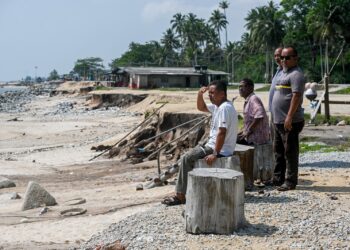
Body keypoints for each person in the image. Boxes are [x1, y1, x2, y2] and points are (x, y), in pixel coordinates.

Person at [162, 80, 238, 206]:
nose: (210, 95)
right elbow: (201, 107)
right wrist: (199, 95)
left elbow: (222, 132)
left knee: (186, 158)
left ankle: (180, 195)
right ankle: (187, 191)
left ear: (222, 94)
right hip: (213, 145)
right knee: (191, 154)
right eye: (210, 93)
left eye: (213, 93)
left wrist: (215, 153)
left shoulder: (225, 108)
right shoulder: (219, 106)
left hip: (218, 149)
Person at [271, 46, 305, 191]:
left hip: (290, 121)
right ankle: (278, 179)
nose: (283, 60)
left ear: (295, 58)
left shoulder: (296, 74)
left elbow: (296, 96)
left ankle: (290, 181)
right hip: (277, 120)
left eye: (287, 57)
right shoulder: (282, 73)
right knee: (278, 151)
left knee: (290, 152)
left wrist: (289, 117)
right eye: (282, 57)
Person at [237, 78, 269, 145]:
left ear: (251, 88)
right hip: (252, 135)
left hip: (257, 138)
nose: (240, 89)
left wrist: (248, 130)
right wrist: (244, 130)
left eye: (243, 86)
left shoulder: (253, 98)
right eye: (239, 87)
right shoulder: (248, 100)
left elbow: (259, 115)